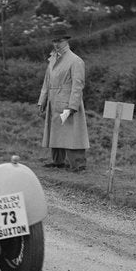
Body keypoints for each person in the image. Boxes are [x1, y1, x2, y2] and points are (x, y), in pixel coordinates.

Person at [38, 32, 89, 171]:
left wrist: (73, 105)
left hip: (67, 101)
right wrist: (42, 100)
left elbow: (78, 85)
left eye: (59, 41)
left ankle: (78, 164)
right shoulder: (53, 59)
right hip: (53, 101)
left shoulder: (75, 60)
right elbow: (47, 82)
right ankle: (58, 161)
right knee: (55, 131)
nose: (56, 44)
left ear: (66, 41)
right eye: (54, 41)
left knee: (72, 133)